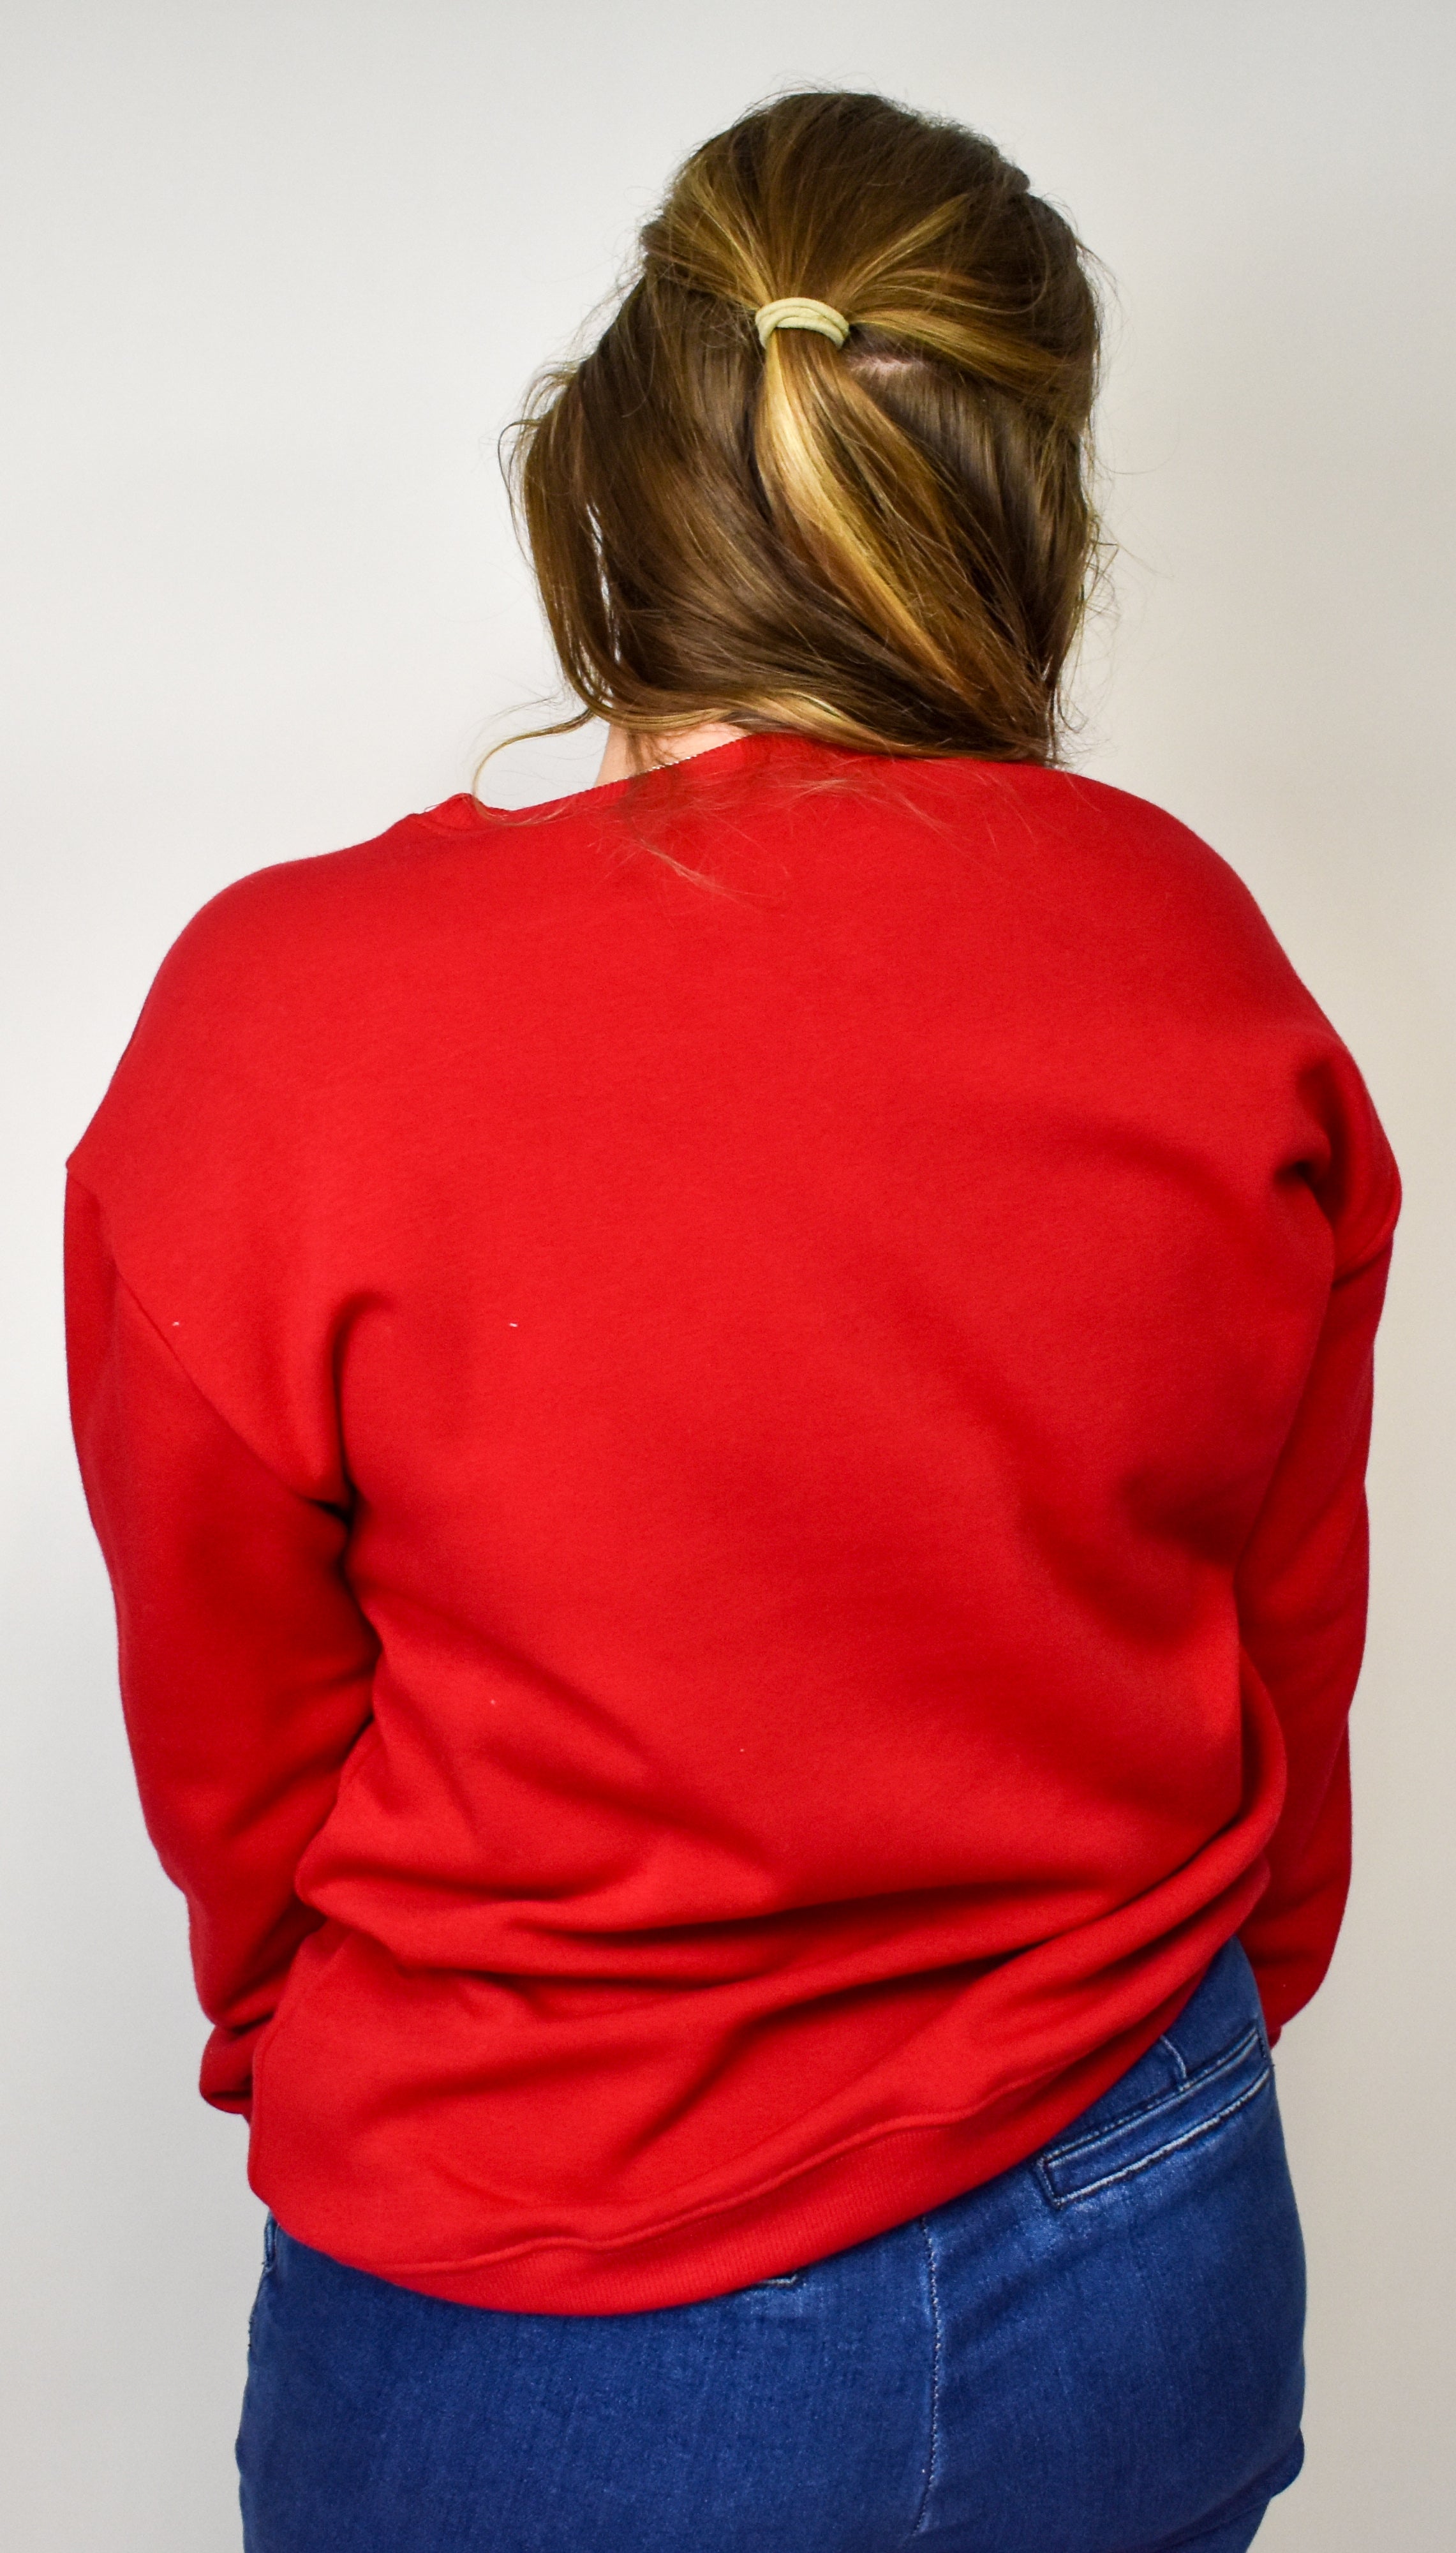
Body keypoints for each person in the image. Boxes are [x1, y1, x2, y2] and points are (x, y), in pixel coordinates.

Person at [64, 89, 1399, 2553]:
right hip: (1146, 2200)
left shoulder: (284, 1022)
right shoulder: (1193, 953)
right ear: (1024, 520)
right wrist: (1168, 2027)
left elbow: (235, 1744)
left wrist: (377, 2079)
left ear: (605, 484)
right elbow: (1279, 1631)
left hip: (543, 2286)